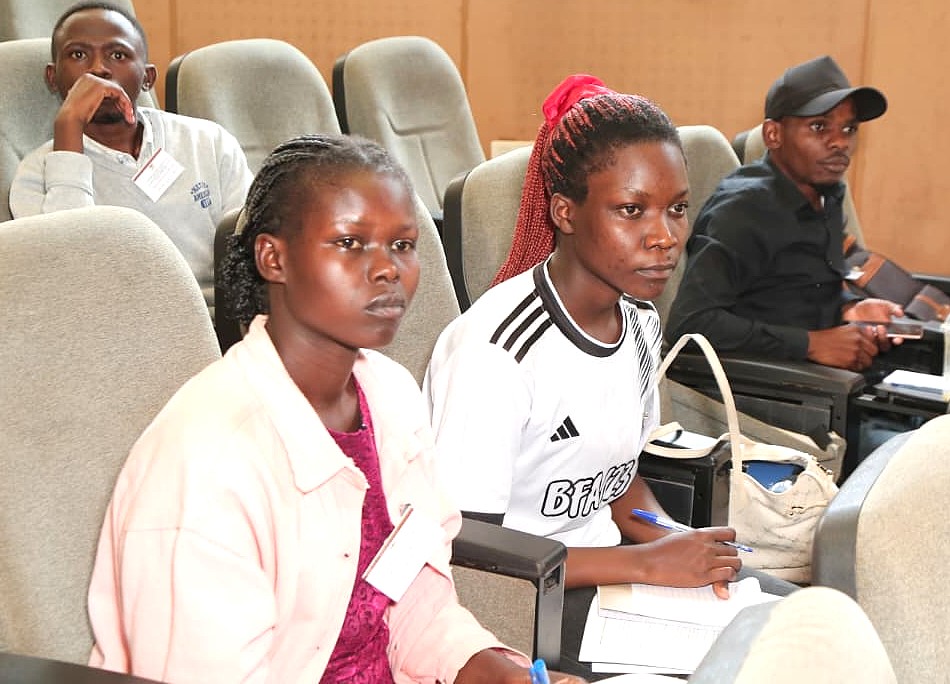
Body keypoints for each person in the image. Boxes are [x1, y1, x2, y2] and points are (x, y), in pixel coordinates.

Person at [85, 134, 584, 684]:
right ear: (273, 258)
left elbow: (414, 603)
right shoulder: (206, 466)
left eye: (403, 245)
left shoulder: (389, 397)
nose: (388, 269)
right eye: (350, 244)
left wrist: (500, 673)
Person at [424, 75, 790, 680]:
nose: (665, 237)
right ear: (564, 212)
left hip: (615, 578)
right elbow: (471, 551)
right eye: (631, 210)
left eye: (676, 208)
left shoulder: (641, 323)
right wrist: (651, 566)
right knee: (755, 665)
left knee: (812, 621)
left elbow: (615, 482)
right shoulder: (496, 352)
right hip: (521, 602)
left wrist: (669, 536)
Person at [666, 55, 903, 373]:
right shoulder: (742, 210)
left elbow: (808, 287)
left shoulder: (828, 194)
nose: (840, 142)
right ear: (773, 135)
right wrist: (812, 344)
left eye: (848, 129)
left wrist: (850, 309)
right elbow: (689, 324)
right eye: (819, 127)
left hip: (836, 379)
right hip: (771, 393)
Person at [9, 1, 253, 309]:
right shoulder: (36, 174)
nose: (99, 69)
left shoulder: (209, 142)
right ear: (53, 78)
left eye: (118, 55)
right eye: (78, 55)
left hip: (221, 322)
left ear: (148, 78)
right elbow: (71, 272)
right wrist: (69, 125)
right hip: (119, 332)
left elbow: (249, 248)